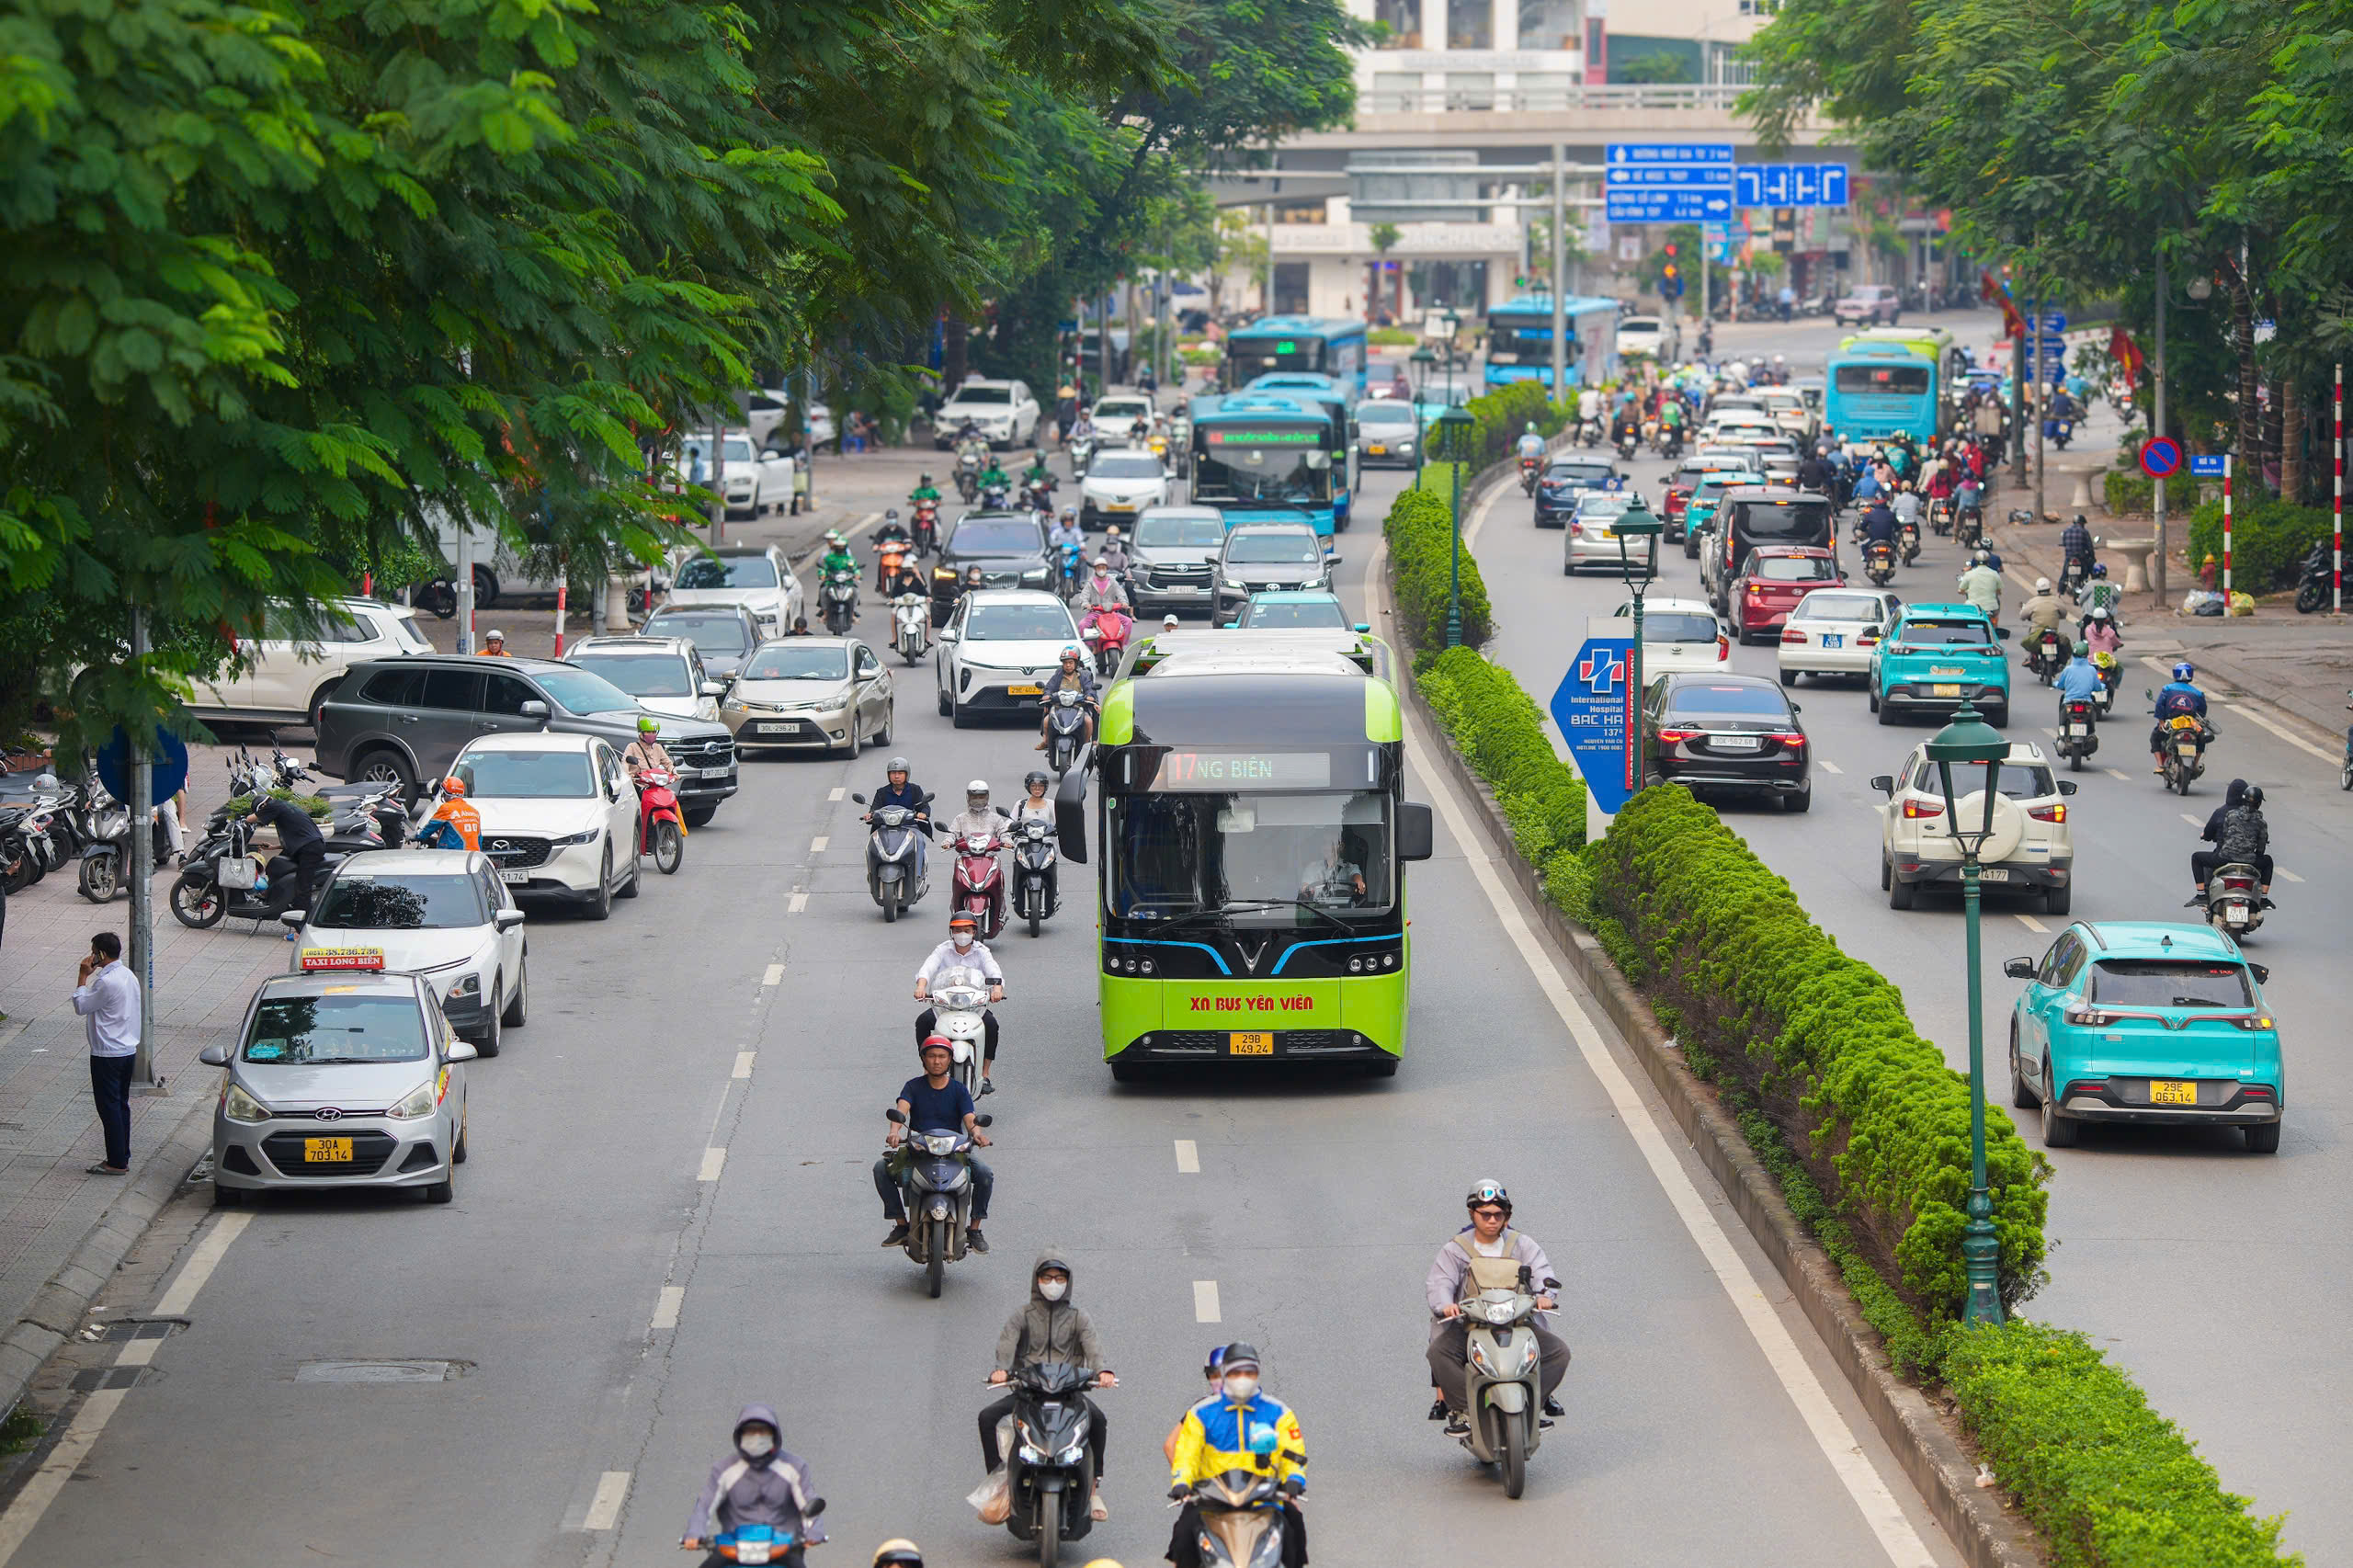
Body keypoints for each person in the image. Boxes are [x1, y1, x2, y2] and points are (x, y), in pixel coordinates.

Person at [981, 1256, 1115, 1521]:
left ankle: (1093, 1489)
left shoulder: (1079, 1317)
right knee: (986, 1418)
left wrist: (1103, 1372)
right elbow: (1007, 1344)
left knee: (1098, 1420)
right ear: (1037, 1281)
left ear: (1068, 1282)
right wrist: (1001, 1370)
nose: (1053, 1284)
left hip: (1070, 1395)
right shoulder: (1023, 1316)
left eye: (1059, 1279)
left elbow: (1093, 1347)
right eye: (1047, 1278)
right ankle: (1001, 1484)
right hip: (1028, 1393)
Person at [1426, 1181, 1569, 1427]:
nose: (1492, 1220)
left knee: (1558, 1353)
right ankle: (1466, 1410)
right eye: (1485, 1214)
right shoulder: (1456, 1249)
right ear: (1473, 1214)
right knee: (1439, 1353)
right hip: (1471, 1325)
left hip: (1517, 1323)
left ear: (1506, 1216)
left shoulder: (1521, 1244)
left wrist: (1545, 1295)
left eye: (1498, 1214)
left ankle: (1535, 1404)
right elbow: (1441, 1281)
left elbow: (1541, 1272)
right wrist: (1446, 1304)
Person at [1166, 1344, 1308, 1568]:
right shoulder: (1201, 1413)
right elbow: (1186, 1454)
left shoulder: (1279, 1412)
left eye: (1249, 1372)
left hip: (1264, 1497)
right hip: (1212, 1499)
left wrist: (1294, 1480)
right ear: (1225, 1374)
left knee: (1294, 1527)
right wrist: (1182, 1482)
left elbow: (1293, 1453)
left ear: (1258, 1374)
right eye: (1236, 1372)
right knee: (1183, 1536)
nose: (1243, 1378)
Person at [874, 1036, 994, 1249]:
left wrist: (978, 1134)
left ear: (949, 1060)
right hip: (919, 1150)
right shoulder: (912, 1086)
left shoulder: (959, 1090)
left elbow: (969, 1118)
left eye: (941, 1056)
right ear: (923, 1059)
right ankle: (901, 1224)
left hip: (954, 1150)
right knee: (881, 1168)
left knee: (985, 1173)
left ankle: (974, 1229)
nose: (936, 1061)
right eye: (931, 1056)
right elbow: (901, 1110)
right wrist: (894, 1132)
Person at [681, 1405, 824, 1565]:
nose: (757, 1437)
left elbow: (808, 1501)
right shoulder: (723, 1470)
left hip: (782, 1545)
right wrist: (695, 1533)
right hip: (735, 1547)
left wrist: (814, 1532)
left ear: (774, 1435)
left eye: (763, 1431)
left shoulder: (795, 1467)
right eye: (750, 1431)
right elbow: (704, 1505)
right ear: (740, 1435)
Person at [914, 910, 1005, 1093]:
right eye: (958, 930)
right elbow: (927, 969)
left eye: (966, 930)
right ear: (951, 932)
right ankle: (927, 1069)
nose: (962, 934)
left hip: (974, 1008)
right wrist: (921, 986)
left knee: (991, 1025)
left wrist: (997, 990)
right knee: (923, 1022)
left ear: (973, 932)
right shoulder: (943, 950)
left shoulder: (981, 952)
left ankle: (985, 1073)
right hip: (945, 1007)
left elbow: (994, 972)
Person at [73, 932, 139, 1176]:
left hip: (107, 1053)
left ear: (100, 953)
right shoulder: (128, 976)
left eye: (93, 951)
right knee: (120, 1104)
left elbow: (81, 1006)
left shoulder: (106, 982)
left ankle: (116, 1162)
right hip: (127, 1050)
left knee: (108, 1106)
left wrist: (82, 976)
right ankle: (122, 1154)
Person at [2190, 782, 2272, 904]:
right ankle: (2264, 898)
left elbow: (2224, 838)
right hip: (2249, 861)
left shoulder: (2230, 815)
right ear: (2259, 804)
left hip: (2224, 858)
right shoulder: (2262, 823)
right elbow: (2261, 850)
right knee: (2268, 861)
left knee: (2196, 857)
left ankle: (2201, 894)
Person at [245, 790, 327, 909]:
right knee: (276, 865)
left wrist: (241, 819)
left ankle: (302, 918)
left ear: (263, 806)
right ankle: (272, 893)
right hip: (305, 846)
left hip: (310, 849)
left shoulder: (273, 805)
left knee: (303, 885)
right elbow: (296, 835)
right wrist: (274, 847)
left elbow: (250, 819)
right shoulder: (282, 806)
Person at [864, 756, 931, 880]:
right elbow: (874, 809)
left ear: (907, 774)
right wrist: (870, 815)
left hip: (910, 826)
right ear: (888, 775)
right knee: (872, 843)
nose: (896, 776)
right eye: (893, 773)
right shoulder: (882, 792)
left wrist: (923, 814)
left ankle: (918, 874)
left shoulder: (915, 790)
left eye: (900, 773)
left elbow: (925, 807)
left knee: (920, 841)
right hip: (886, 827)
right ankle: (872, 874)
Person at [2151, 661, 2210, 776]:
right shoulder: (2198, 693)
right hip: (2191, 726)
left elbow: (2159, 706)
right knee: (2201, 740)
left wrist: (2161, 722)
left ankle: (2160, 765)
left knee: (2155, 737)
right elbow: (2202, 712)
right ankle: (2196, 764)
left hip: (2172, 725)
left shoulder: (2167, 689)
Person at [1038, 646, 1099, 751]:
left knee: (1088, 721)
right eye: (1065, 663)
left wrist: (1090, 696)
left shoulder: (1083, 676)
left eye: (1070, 662)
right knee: (1047, 721)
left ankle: (1086, 745)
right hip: (1059, 708)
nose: (1068, 665)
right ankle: (1046, 741)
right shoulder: (1058, 676)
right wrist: (1047, 694)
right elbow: (1049, 687)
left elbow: (1090, 688)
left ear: (1076, 663)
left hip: (1078, 708)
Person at [1298, 838, 1367, 906]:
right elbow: (1305, 886)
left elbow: (1355, 875)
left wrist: (1359, 882)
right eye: (1324, 843)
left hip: (1346, 914)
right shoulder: (1312, 868)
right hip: (1317, 913)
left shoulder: (1349, 867)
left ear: (1341, 846)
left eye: (1332, 844)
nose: (1327, 847)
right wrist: (1305, 888)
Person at [420, 775, 482, 851]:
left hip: (453, 856)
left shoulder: (446, 808)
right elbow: (479, 839)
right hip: (472, 856)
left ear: (445, 793)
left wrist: (417, 836)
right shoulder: (474, 812)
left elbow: (430, 827)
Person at [623, 715, 676, 784]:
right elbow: (625, 764)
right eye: (648, 732)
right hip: (638, 784)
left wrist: (675, 772)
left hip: (655, 784)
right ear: (641, 733)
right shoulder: (632, 747)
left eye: (654, 732)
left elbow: (668, 764)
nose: (651, 735)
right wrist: (627, 778)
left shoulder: (658, 747)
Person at [2053, 641, 2103, 710]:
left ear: (2073, 654)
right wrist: (2102, 686)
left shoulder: (2067, 669)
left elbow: (2060, 685)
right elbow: (2098, 688)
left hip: (2069, 701)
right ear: (2087, 654)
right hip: (2087, 702)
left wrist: (2055, 684)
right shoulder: (2092, 670)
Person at [1958, 551, 2004, 623]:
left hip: (1972, 607)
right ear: (1988, 561)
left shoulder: (1969, 574)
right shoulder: (1994, 573)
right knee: (1995, 617)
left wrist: (1963, 591)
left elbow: (1961, 590)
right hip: (1991, 607)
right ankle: (1994, 630)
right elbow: (1999, 591)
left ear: (1975, 561)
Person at [2058, 513, 2095, 582]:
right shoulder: (2084, 531)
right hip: (2081, 557)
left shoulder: (2066, 531)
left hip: (2069, 557)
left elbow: (2064, 543)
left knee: (2064, 575)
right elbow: (2090, 547)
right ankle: (2094, 582)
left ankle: (2060, 592)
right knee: (2089, 568)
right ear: (2081, 523)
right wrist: (2092, 556)